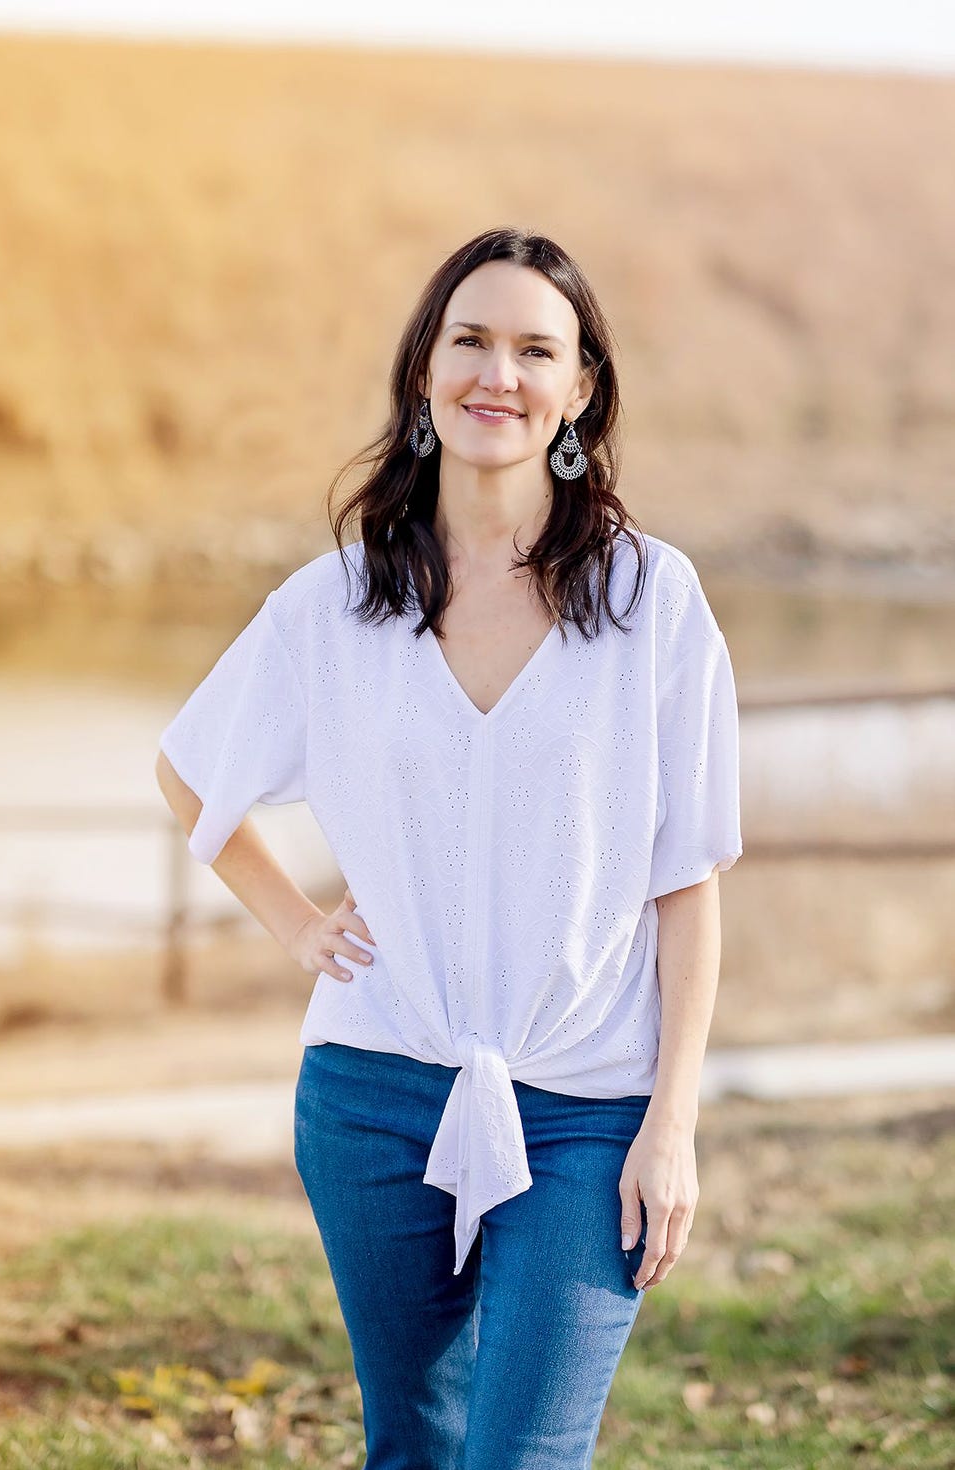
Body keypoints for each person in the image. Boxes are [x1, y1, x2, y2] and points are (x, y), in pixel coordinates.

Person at [156, 226, 743, 1470]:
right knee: (411, 1450)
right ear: (425, 368)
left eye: (537, 350)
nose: (499, 374)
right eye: (469, 339)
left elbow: (684, 884)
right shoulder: (336, 605)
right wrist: (297, 924)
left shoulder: (651, 604)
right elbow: (188, 768)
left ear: (579, 390)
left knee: (518, 1457)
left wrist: (672, 1122)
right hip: (373, 1089)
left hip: (591, 1104)